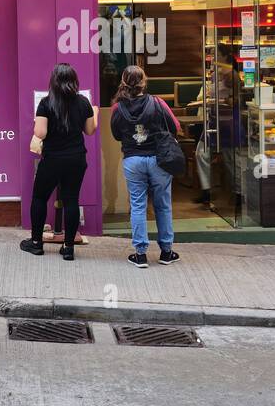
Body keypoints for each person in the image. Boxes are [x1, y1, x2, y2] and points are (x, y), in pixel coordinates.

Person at [19, 63, 96, 261]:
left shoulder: (46, 103)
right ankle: (68, 247)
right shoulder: (83, 102)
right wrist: (93, 115)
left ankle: (36, 243)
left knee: (39, 198)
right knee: (72, 200)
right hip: (76, 159)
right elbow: (89, 130)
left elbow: (40, 133)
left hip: (53, 159)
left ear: (53, 81)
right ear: (74, 81)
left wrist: (38, 122)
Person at [110, 65, 181, 269]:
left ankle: (140, 254)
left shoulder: (118, 108)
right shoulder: (157, 103)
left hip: (133, 160)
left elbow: (116, 135)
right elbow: (175, 126)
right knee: (163, 204)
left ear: (123, 82)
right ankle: (166, 252)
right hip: (159, 159)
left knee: (138, 205)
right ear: (144, 82)